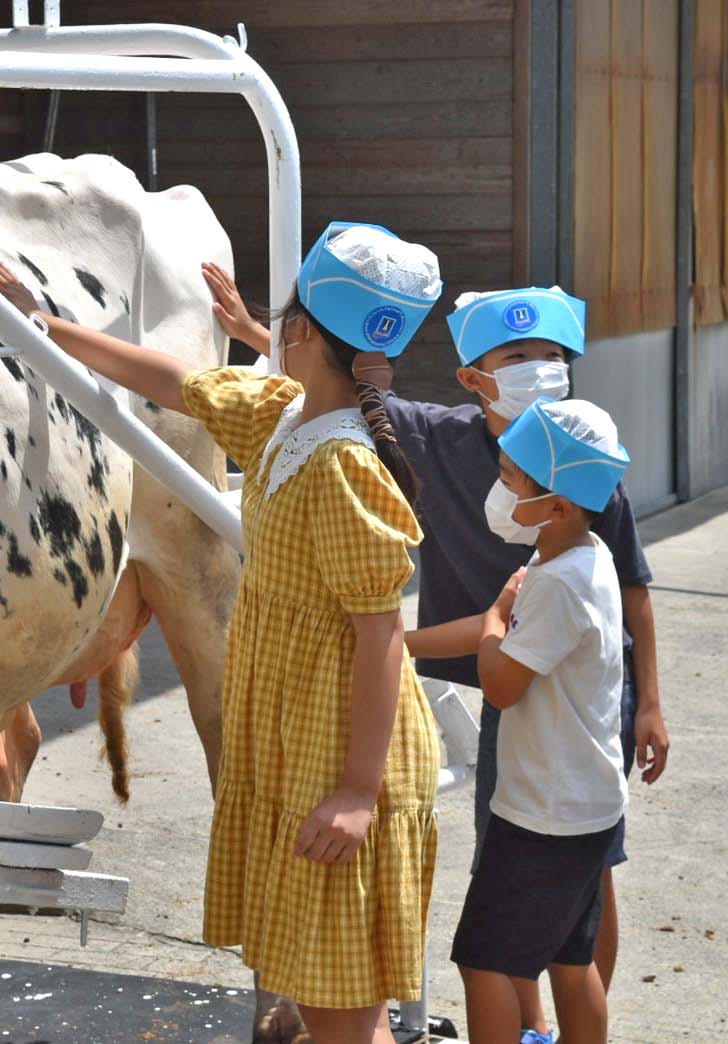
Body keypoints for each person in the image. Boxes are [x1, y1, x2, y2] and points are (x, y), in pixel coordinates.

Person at [0, 222, 442, 1044]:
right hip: (302, 742)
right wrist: (42, 323)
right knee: (324, 993)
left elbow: (382, 638)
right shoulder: (284, 416)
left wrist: (359, 794)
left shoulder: (343, 465)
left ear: (297, 332)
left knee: (345, 1019)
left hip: (343, 756)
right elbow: (180, 381)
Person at [205, 274, 671, 1042]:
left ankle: (546, 1025)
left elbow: (630, 596)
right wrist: (272, 340)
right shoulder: (442, 438)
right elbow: (344, 386)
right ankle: (537, 1029)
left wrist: (648, 702)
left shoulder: (581, 469)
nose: (541, 369)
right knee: (534, 883)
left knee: (558, 906)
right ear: (472, 376)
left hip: (557, 705)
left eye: (552, 353)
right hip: (521, 722)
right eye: (518, 354)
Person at [404, 397, 632, 1044]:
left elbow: (500, 680)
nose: (499, 486)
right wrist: (398, 643)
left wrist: (498, 623)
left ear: (557, 506)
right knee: (570, 957)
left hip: (541, 819)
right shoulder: (576, 556)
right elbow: (492, 626)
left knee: (483, 962)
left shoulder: (559, 582)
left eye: (511, 478)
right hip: (585, 808)